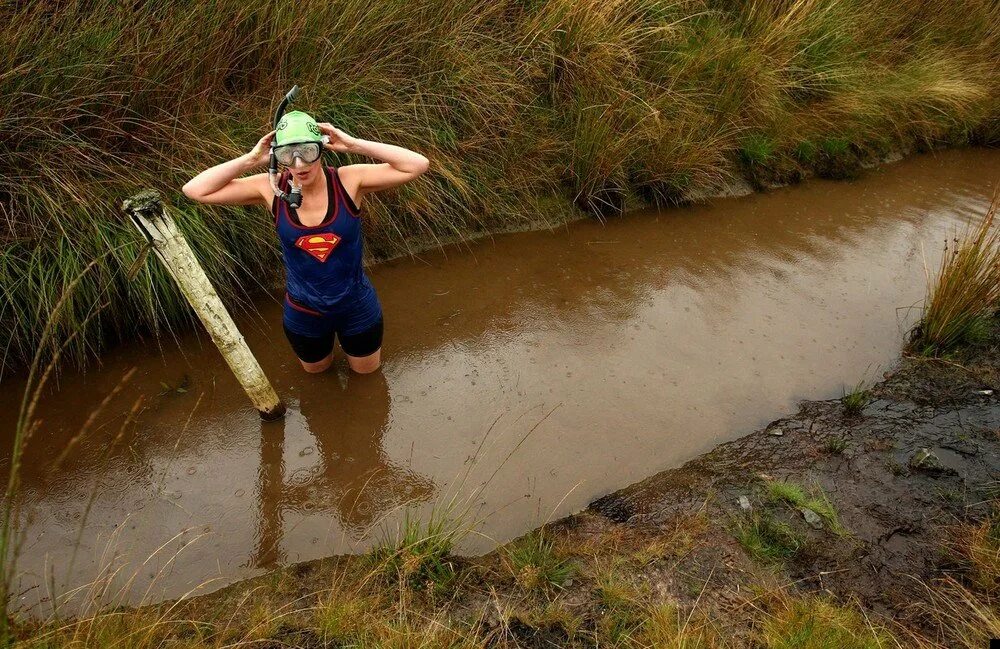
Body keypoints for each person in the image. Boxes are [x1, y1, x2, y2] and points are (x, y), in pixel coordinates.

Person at [182, 111, 429, 374]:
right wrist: (251, 160)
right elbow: (195, 190)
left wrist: (354, 144)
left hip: (357, 306)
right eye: (288, 154)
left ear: (321, 149)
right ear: (277, 155)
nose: (299, 164)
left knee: (368, 378)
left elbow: (417, 164)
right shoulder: (270, 188)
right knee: (317, 378)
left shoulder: (350, 180)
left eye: (308, 151)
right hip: (304, 312)